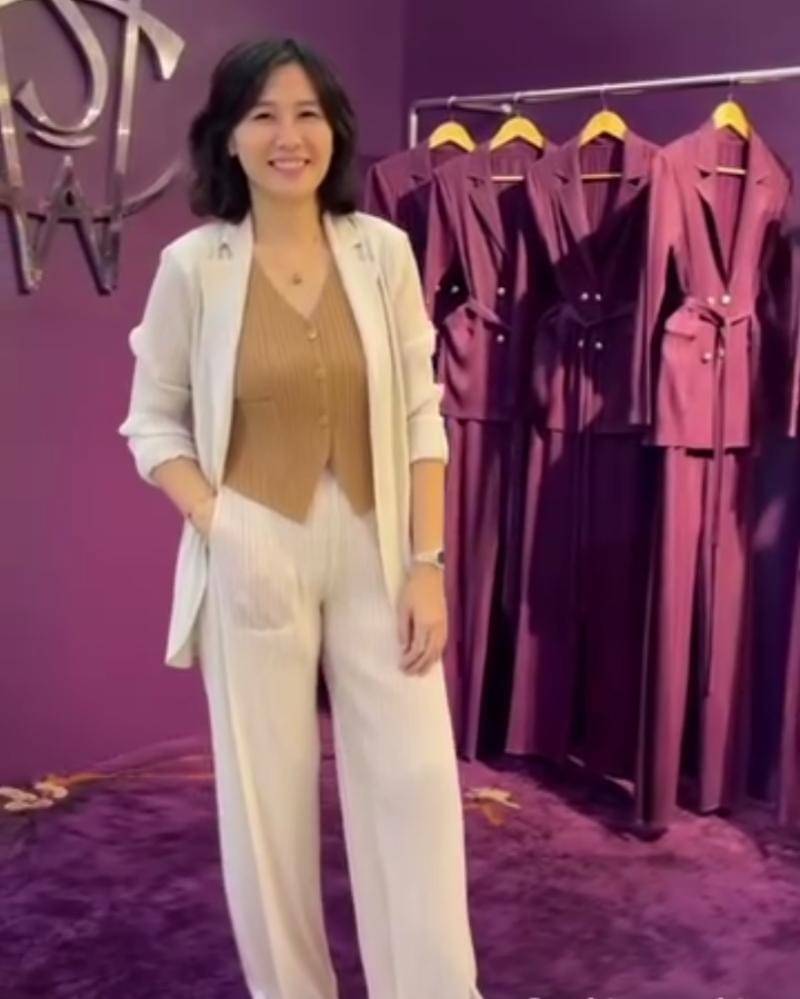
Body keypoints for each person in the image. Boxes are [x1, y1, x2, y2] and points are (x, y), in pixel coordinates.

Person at [118, 36, 483, 999]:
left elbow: (422, 414)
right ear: (228, 138)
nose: (290, 137)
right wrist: (219, 521)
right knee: (266, 800)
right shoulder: (195, 266)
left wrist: (428, 562)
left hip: (377, 540)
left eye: (308, 114)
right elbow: (151, 421)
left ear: (336, 130)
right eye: (264, 116)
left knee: (415, 785)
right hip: (254, 542)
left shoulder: (381, 251)